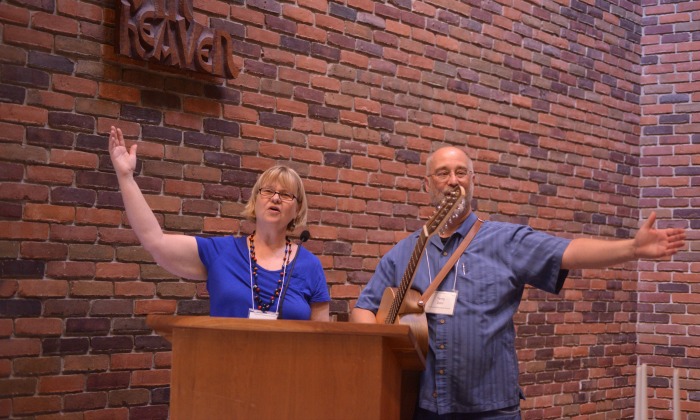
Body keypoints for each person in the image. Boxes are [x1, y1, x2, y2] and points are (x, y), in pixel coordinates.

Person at [350, 146, 686, 419]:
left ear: (472, 182)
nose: (453, 181)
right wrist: (382, 361)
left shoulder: (505, 241)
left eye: (461, 172)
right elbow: (364, 309)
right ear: (427, 184)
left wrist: (632, 248)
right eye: (442, 173)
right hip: (426, 407)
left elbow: (567, 251)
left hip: (491, 409)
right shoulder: (406, 251)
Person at [109, 126, 330, 321]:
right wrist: (126, 177)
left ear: (297, 209)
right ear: (255, 200)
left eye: (286, 194)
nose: (275, 198)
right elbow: (155, 241)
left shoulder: (310, 266)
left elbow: (320, 342)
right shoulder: (221, 252)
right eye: (268, 191)